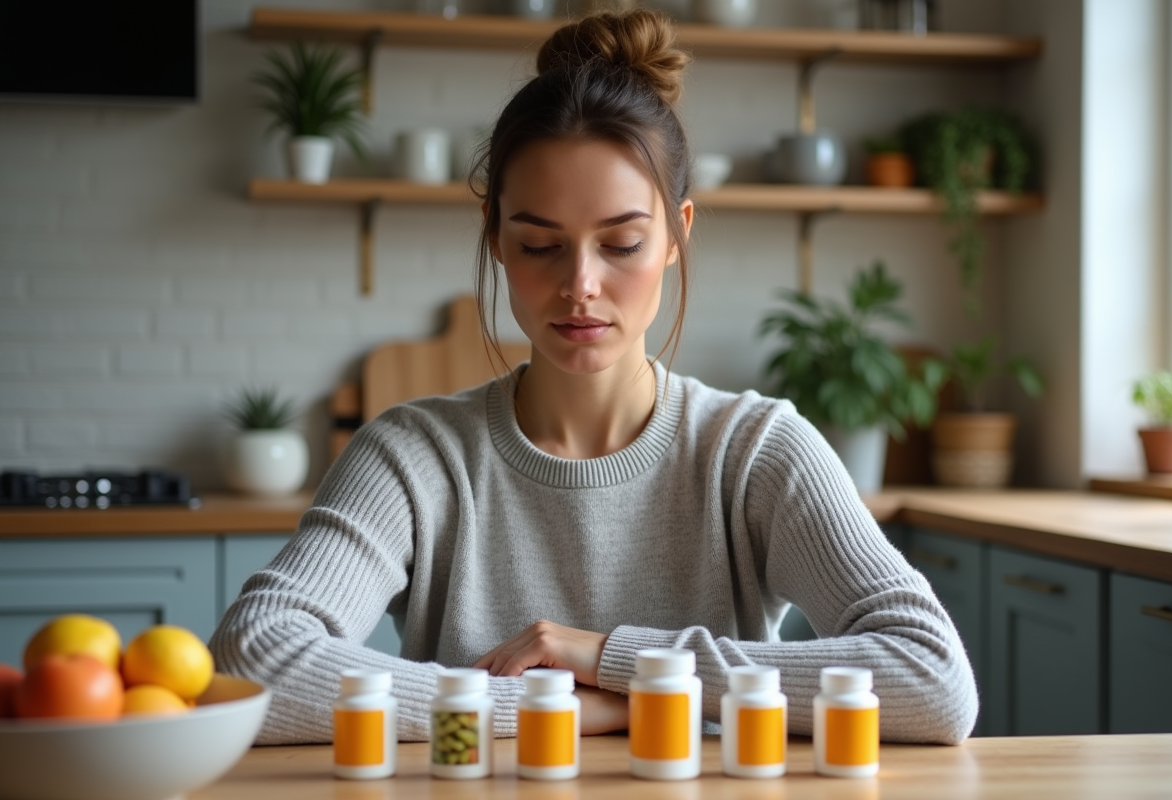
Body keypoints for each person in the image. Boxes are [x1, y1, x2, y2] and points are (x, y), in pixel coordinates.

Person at [211, 9, 977, 746]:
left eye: (622, 244)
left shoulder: (755, 452)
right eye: (542, 245)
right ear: (497, 243)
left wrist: (620, 662)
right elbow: (250, 656)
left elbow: (933, 679)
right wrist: (549, 709)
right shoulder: (413, 457)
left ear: (676, 236)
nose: (581, 284)